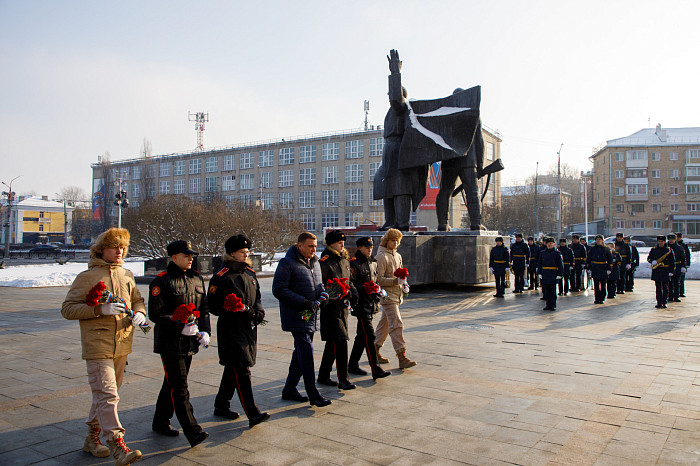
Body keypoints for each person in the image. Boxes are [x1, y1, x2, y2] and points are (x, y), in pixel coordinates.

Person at [61, 228, 146, 466]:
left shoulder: (127, 274)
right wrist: (99, 310)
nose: (119, 251)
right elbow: (68, 308)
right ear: (101, 250)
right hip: (97, 343)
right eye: (114, 247)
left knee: (105, 394)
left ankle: (92, 437)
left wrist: (139, 312)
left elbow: (137, 299)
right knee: (108, 394)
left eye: (123, 248)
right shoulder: (87, 277)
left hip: (122, 343)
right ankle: (117, 444)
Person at [149, 240, 210, 447]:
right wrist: (178, 325)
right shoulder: (162, 281)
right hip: (170, 342)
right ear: (174, 257)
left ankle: (160, 421)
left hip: (190, 341)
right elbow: (156, 313)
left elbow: (203, 309)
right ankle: (193, 431)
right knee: (180, 387)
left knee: (172, 383)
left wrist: (205, 330)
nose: (191, 258)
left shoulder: (196, 279)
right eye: (186, 255)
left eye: (192, 255)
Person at [208, 235, 270, 427]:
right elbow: (213, 305)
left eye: (247, 252)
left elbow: (256, 297)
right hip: (231, 330)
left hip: (248, 328)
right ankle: (252, 412)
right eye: (242, 252)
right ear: (232, 253)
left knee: (233, 368)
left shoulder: (250, 274)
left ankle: (221, 404)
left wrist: (259, 311)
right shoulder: (222, 276)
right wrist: (231, 309)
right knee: (242, 369)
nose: (246, 255)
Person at [272, 232, 332, 407]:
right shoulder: (287, 263)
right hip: (296, 316)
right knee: (306, 352)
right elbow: (279, 289)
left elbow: (319, 285)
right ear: (299, 246)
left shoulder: (315, 263)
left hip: (312, 316)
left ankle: (289, 389)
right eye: (310, 246)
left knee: (299, 354)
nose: (314, 250)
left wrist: (323, 295)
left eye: (315, 246)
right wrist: (304, 302)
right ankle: (313, 393)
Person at [372, 49, 427, 231]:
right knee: (385, 184)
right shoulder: (392, 111)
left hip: (400, 149)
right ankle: (390, 221)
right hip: (389, 150)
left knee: (400, 185)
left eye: (392, 95)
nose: (390, 97)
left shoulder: (401, 107)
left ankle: (402, 223)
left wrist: (395, 73)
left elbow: (396, 97)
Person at [317, 230, 359, 390]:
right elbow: (322, 285)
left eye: (343, 242)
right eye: (338, 242)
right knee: (341, 341)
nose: (342, 244)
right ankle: (343, 379)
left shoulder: (344, 260)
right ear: (330, 244)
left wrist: (353, 293)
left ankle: (323, 375)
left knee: (332, 342)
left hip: (343, 307)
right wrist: (334, 292)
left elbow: (350, 281)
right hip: (331, 308)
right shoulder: (325, 262)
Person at [348, 236, 392, 380]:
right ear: (359, 248)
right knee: (369, 335)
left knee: (362, 336)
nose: (369, 249)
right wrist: (364, 288)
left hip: (371, 303)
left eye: (371, 247)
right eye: (367, 247)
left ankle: (353, 364)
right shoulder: (354, 264)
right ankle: (375, 368)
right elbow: (351, 284)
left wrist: (377, 290)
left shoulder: (372, 262)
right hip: (360, 305)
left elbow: (374, 280)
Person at [374, 228, 417, 368]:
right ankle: (401, 355)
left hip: (397, 294)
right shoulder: (381, 256)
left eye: (397, 241)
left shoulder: (398, 255)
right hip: (387, 297)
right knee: (396, 324)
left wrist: (404, 283)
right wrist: (394, 281)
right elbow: (378, 279)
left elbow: (401, 275)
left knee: (385, 325)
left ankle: (374, 350)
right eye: (393, 240)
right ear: (387, 241)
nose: (396, 243)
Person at [647, 235, 675, 309]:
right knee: (658, 288)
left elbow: (672, 262)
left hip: (665, 270)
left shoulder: (668, 250)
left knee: (665, 288)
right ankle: (659, 302)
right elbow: (649, 258)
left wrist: (671, 271)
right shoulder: (654, 249)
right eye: (659, 241)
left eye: (662, 241)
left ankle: (664, 302)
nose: (660, 243)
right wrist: (652, 261)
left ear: (664, 241)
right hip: (657, 270)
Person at [537, 237, 564, 311]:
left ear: (554, 244)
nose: (549, 245)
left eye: (551, 244)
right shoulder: (543, 253)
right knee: (546, 290)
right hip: (545, 273)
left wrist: (559, 274)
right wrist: (539, 272)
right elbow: (540, 264)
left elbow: (560, 265)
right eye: (548, 244)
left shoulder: (557, 253)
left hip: (553, 273)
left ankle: (553, 305)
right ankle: (548, 304)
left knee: (552, 290)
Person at [586, 235, 613, 304]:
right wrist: (588, 268)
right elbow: (588, 259)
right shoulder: (592, 249)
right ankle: (597, 298)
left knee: (603, 285)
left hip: (603, 267)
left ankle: (602, 298)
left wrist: (609, 268)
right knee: (596, 285)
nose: (598, 241)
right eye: (597, 239)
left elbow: (610, 259)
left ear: (602, 240)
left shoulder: (606, 249)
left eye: (600, 239)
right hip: (595, 268)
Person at [667, 233, 686, 303]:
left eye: (672, 239)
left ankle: (676, 296)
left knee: (677, 283)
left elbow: (683, 258)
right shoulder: (666, 248)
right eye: (670, 239)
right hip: (669, 267)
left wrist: (683, 266)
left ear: (675, 240)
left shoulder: (679, 247)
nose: (671, 241)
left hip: (677, 266)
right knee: (669, 283)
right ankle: (670, 296)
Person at [677, 232, 691, 297]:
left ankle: (681, 292)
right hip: (674, 264)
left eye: (678, 237)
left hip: (681, 264)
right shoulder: (672, 245)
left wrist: (687, 264)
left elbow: (687, 255)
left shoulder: (684, 245)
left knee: (681, 279)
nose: (677, 239)